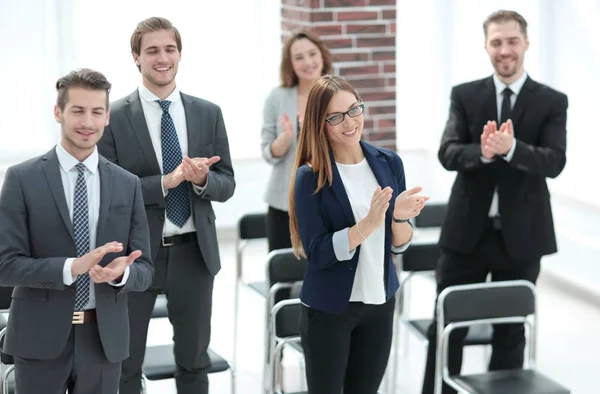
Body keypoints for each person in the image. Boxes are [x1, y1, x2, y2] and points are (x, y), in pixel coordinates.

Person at [421, 10, 568, 394]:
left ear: (526, 43)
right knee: (447, 329)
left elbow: (554, 161)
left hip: (521, 239)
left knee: (510, 332)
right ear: (486, 46)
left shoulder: (551, 101)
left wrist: (513, 148)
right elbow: (448, 153)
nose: (505, 50)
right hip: (466, 235)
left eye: (512, 41)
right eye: (496, 42)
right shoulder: (466, 95)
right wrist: (485, 152)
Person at [97, 17, 235, 394]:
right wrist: (165, 183)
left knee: (194, 363)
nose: (162, 58)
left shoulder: (208, 112)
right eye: (152, 50)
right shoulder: (113, 118)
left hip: (194, 255)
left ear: (180, 54)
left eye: (169, 49)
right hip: (137, 256)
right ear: (136, 58)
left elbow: (228, 185)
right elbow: (109, 194)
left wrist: (202, 180)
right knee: (125, 365)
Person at [0, 68, 154, 394]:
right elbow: (5, 265)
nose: (88, 122)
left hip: (103, 341)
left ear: (107, 116)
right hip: (39, 339)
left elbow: (145, 270)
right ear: (58, 113)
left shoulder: (127, 185)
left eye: (97, 112)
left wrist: (119, 275)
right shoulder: (21, 179)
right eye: (78, 111)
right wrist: (72, 268)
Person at [289, 75, 429, 394]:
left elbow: (400, 244)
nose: (349, 122)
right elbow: (318, 252)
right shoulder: (310, 177)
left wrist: (399, 218)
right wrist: (365, 226)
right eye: (335, 117)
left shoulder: (389, 162)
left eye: (354, 110)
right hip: (330, 309)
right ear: (320, 123)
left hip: (380, 300)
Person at [261, 30, 333, 252]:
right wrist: (285, 139)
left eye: (312, 54)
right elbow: (267, 152)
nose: (308, 62)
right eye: (299, 57)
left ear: (322, 56)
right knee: (282, 273)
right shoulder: (277, 97)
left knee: (323, 270)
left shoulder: (337, 95)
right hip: (284, 201)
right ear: (290, 64)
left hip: (327, 197)